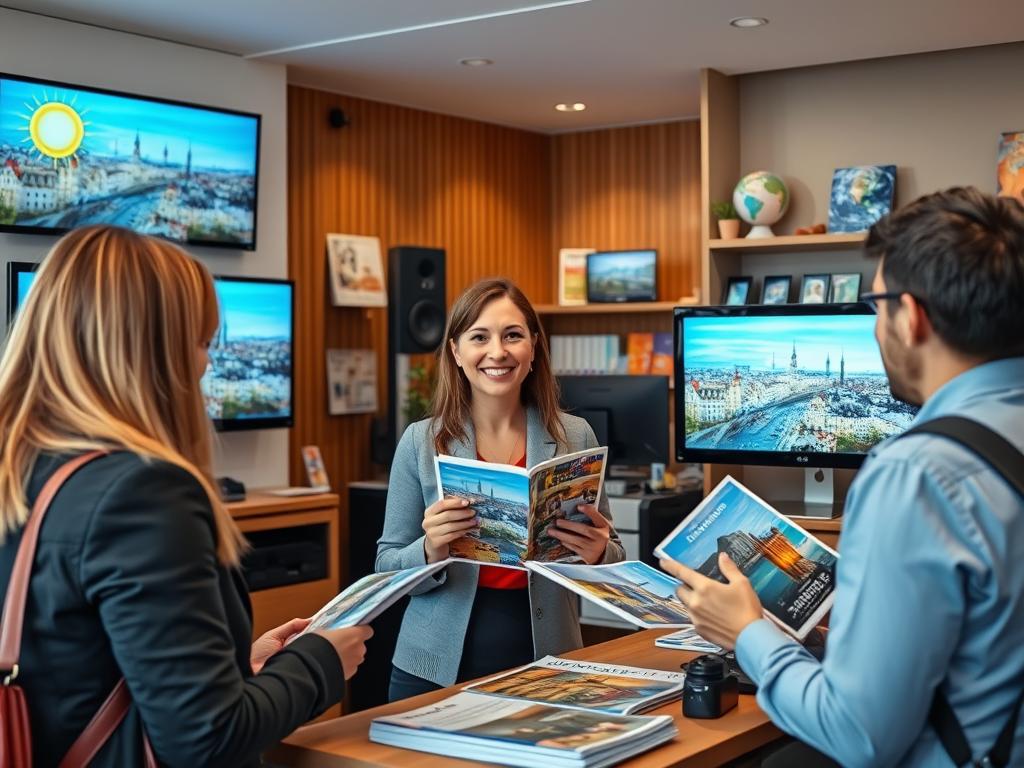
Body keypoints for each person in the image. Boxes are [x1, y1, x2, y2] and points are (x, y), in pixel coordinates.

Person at [661, 187, 1024, 766]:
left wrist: (748, 633)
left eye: (876, 305)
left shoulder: (916, 475)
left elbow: (858, 735)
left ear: (912, 317)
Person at [0, 226, 372, 767]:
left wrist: (236, 670)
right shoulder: (142, 492)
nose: (206, 365)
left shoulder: (22, 471)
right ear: (153, 349)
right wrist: (320, 662)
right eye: (200, 342)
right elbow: (205, 739)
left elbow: (76, 673)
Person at [378, 277, 625, 701]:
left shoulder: (575, 437)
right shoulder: (421, 441)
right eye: (479, 337)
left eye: (513, 335)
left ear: (533, 347)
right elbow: (385, 570)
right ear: (456, 351)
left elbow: (614, 564)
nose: (498, 352)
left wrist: (599, 551)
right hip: (432, 667)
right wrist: (430, 550)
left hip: (547, 660)